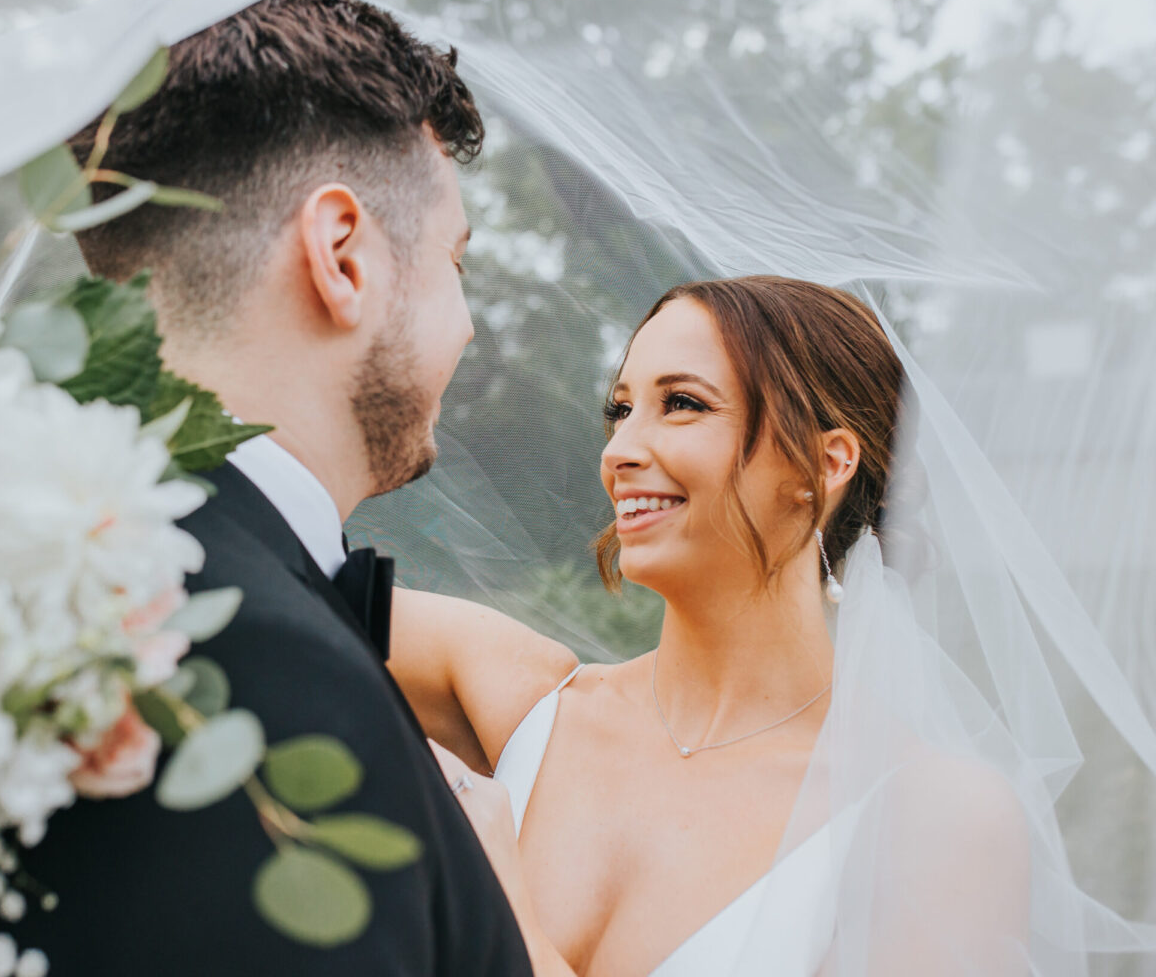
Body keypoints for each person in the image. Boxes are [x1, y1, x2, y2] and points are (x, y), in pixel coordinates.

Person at [7, 0, 534, 976]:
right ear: (342, 256)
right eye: (457, 263)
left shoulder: (17, 576)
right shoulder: (250, 670)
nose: (465, 324)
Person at [390, 276, 1031, 975]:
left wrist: (505, 911)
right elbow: (266, 548)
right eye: (622, 409)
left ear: (826, 462)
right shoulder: (519, 698)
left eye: (683, 404)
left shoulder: (932, 819)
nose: (619, 452)